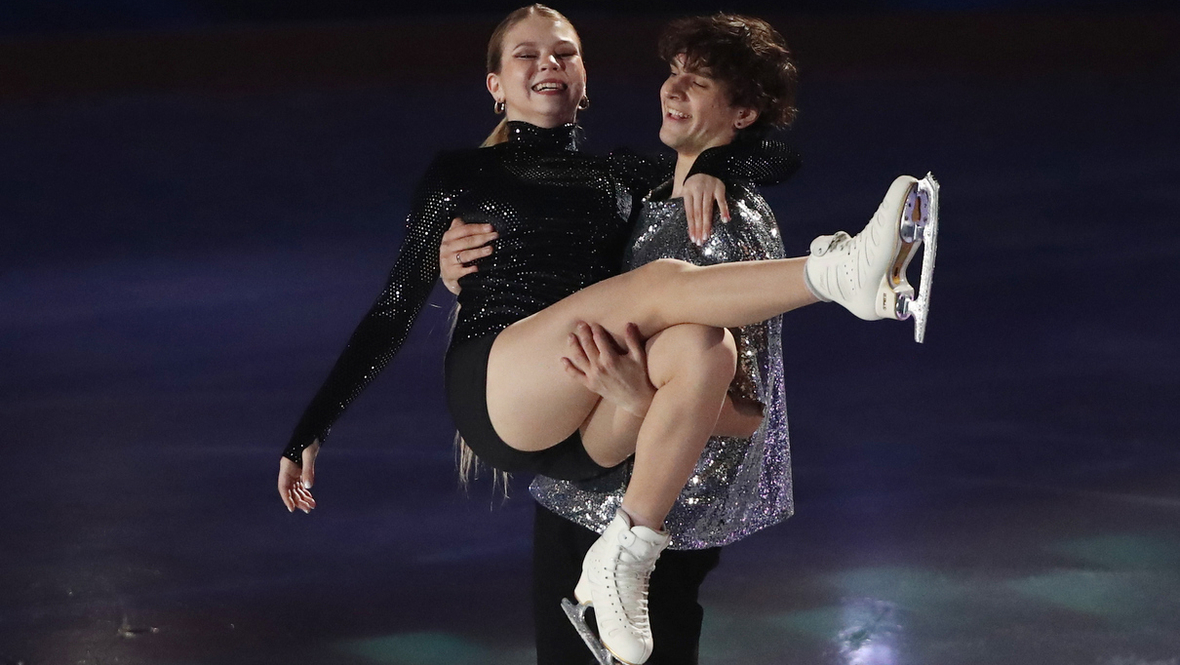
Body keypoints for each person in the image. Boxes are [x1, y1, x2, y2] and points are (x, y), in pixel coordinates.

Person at [279, 5, 936, 664]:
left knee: (703, 346)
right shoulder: (460, 174)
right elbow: (396, 303)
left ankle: (625, 553)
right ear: (496, 85)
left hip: (588, 433)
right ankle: (840, 273)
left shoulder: (622, 179)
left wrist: (722, 164)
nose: (548, 64)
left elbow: (775, 150)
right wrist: (314, 424)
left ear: (584, 78)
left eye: (564, 53)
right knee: (661, 283)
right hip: (499, 385)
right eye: (526, 55)